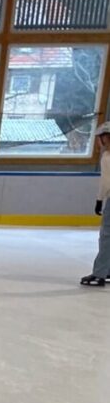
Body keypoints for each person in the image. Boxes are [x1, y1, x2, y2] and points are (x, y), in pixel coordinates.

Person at [81, 120, 110, 287]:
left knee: (107, 236)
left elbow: (106, 183)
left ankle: (100, 272)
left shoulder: (107, 157)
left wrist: (99, 200)